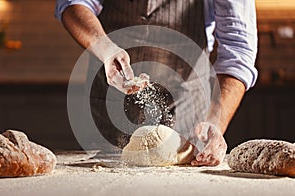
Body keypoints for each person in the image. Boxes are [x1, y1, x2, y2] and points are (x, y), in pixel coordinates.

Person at [55, 0, 258, 166]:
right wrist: (107, 50)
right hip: (110, 98)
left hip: (187, 105)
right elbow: (74, 3)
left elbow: (237, 50)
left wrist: (214, 121)